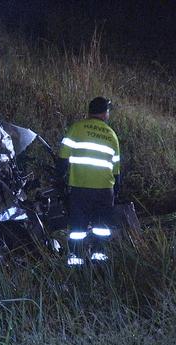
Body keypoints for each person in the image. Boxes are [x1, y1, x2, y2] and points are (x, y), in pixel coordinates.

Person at [57, 97, 121, 266]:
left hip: (80, 188)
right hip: (105, 190)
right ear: (105, 113)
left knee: (78, 227)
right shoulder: (111, 134)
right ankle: (99, 259)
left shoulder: (76, 128)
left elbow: (63, 158)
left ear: (90, 111)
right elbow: (116, 170)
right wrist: (116, 191)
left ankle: (75, 260)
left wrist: (59, 179)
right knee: (101, 227)